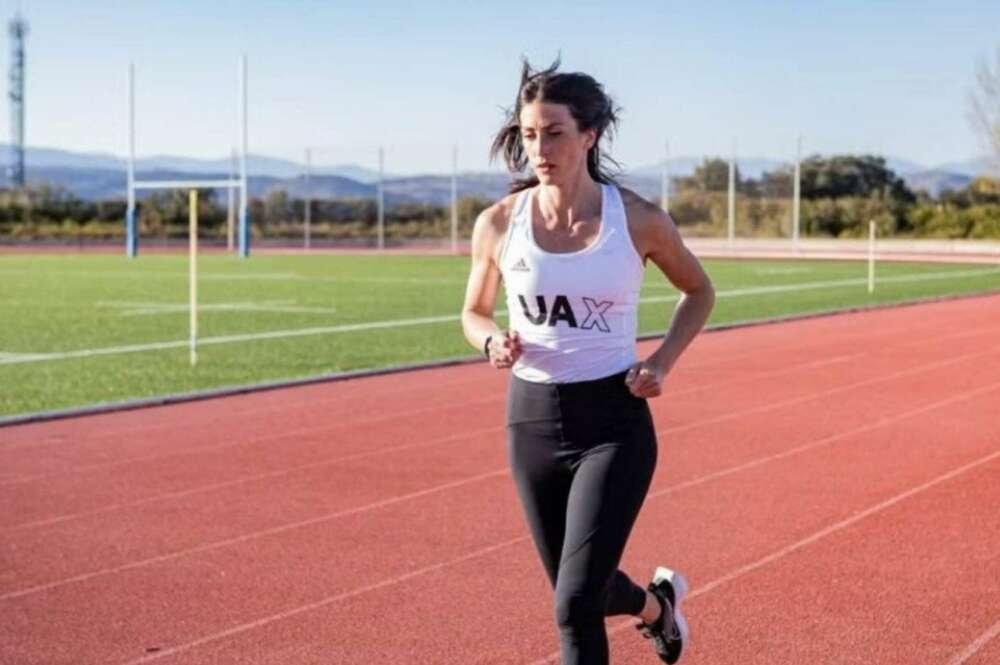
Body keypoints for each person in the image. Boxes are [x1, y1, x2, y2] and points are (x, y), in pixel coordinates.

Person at [460, 58, 715, 665]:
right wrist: (491, 340)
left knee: (572, 607)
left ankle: (654, 609)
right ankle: (658, 609)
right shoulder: (498, 224)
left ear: (589, 135)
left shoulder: (639, 220)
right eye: (528, 135)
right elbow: (472, 312)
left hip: (613, 422)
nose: (538, 148)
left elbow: (699, 292)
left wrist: (662, 362)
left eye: (554, 133)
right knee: (580, 592)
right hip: (531, 423)